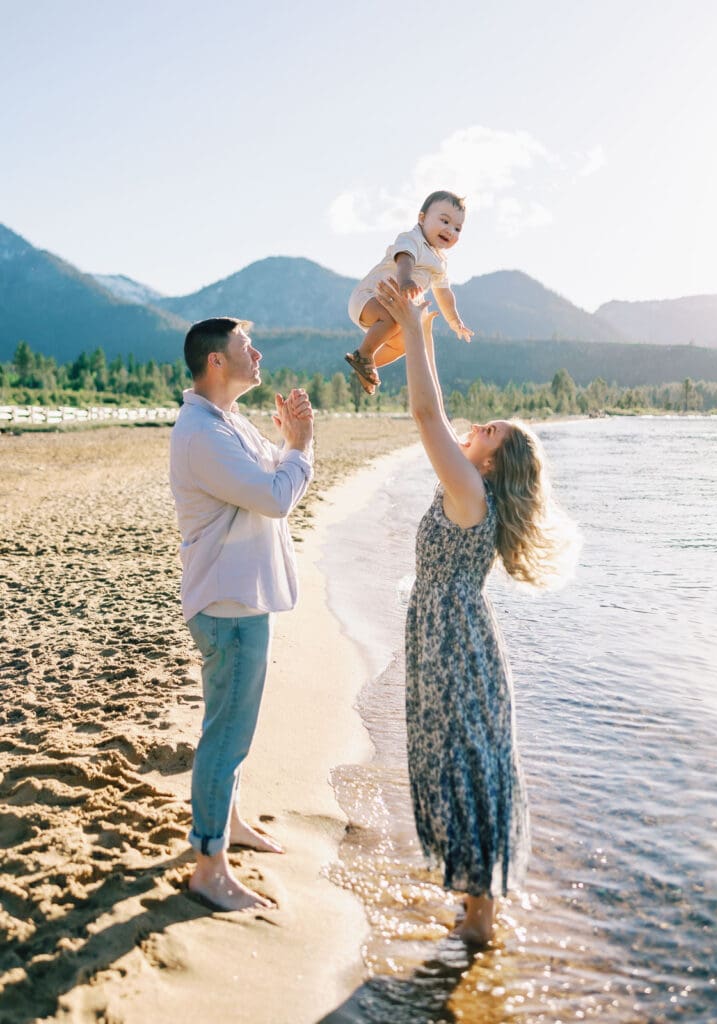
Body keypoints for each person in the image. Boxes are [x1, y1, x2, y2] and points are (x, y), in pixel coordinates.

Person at [376, 277, 578, 945]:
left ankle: (480, 925)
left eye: (489, 432)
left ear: (492, 464)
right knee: (452, 760)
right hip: (448, 635)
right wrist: (424, 331)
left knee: (463, 763)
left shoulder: (468, 491)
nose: (476, 426)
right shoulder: (466, 487)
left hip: (455, 640)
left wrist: (412, 320)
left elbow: (428, 417)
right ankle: (473, 912)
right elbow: (440, 413)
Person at [169, 316, 314, 911]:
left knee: (231, 731)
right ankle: (209, 866)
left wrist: (290, 441)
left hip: (239, 599)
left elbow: (273, 476)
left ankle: (226, 827)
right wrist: (300, 444)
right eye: (245, 346)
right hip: (228, 605)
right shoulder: (203, 433)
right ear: (216, 363)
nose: (257, 352)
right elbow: (276, 496)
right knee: (225, 737)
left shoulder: (226, 423)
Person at [344, 190, 473, 395]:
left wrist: (454, 321)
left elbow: (444, 293)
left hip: (390, 307)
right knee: (393, 319)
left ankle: (366, 365)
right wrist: (406, 280)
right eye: (444, 221)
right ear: (422, 218)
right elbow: (405, 260)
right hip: (369, 298)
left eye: (457, 228)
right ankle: (364, 354)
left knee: (408, 342)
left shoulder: (440, 262)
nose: (450, 230)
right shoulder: (412, 239)